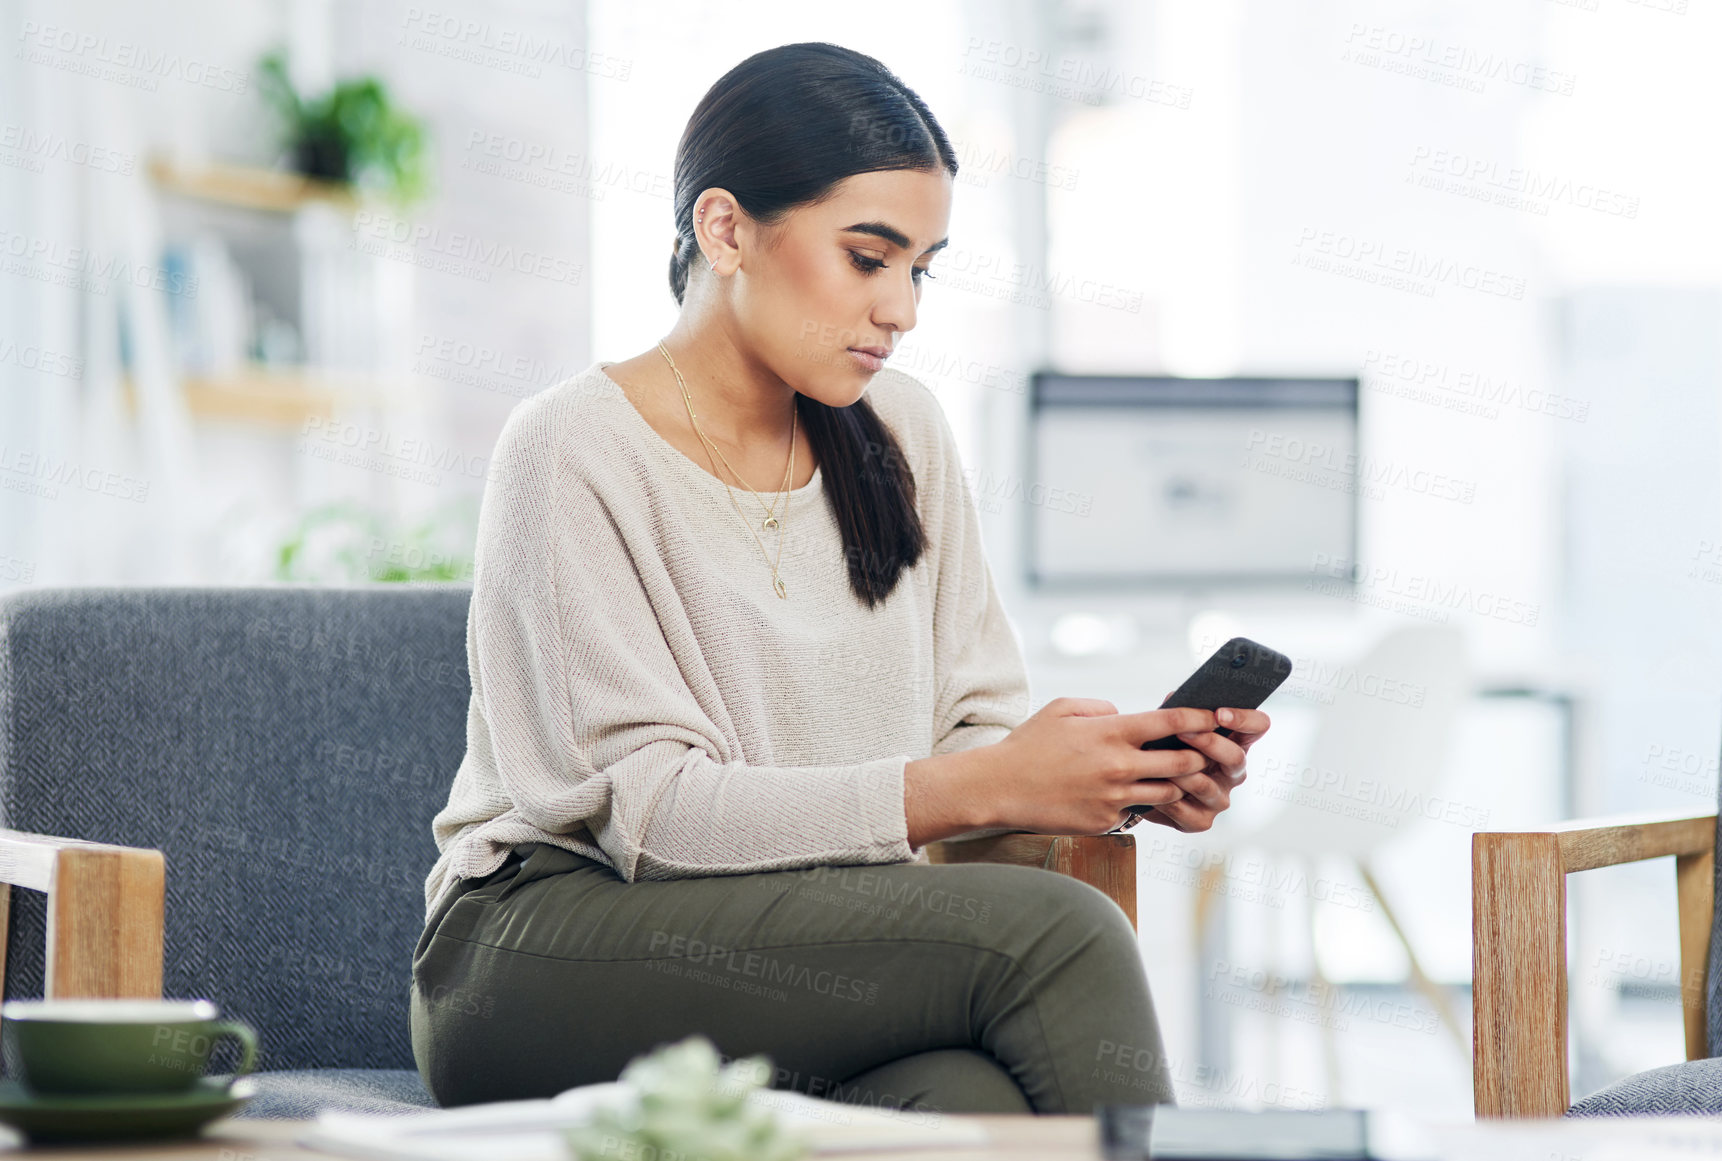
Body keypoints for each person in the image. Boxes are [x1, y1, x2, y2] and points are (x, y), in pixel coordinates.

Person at [410, 41, 1270, 1117]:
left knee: (968, 1102)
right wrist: (993, 782)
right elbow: (654, 820)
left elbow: (973, 743)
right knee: (1060, 935)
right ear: (725, 230)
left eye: (922, 266)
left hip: (796, 944)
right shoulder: (571, 447)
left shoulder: (902, 430)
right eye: (869, 258)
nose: (902, 308)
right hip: (544, 949)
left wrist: (1094, 780)